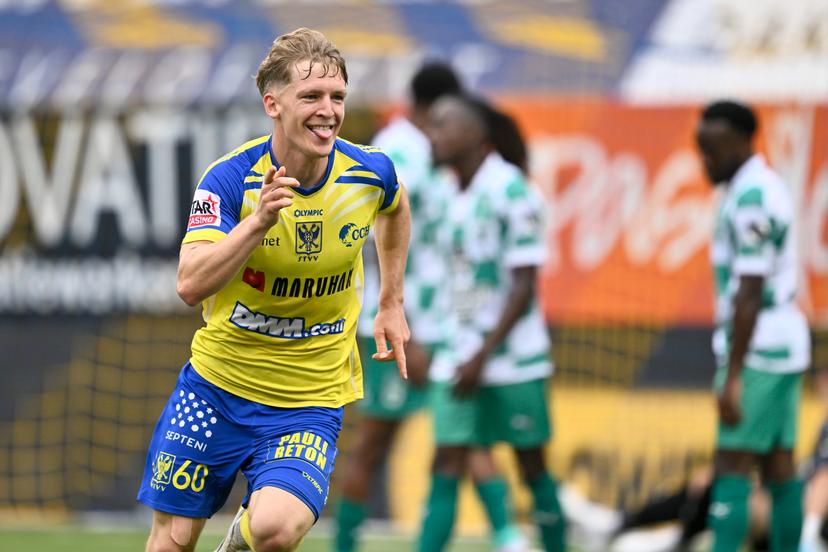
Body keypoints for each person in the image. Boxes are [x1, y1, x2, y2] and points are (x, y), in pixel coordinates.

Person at [136, 27, 411, 552]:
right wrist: (258, 221)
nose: (327, 110)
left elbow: (396, 207)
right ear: (273, 104)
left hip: (309, 399)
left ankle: (240, 535)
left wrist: (391, 301)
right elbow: (189, 284)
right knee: (171, 540)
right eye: (310, 96)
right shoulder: (229, 180)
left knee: (275, 529)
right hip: (216, 390)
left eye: (337, 97)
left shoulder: (370, 172)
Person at [333, 62, 528, 552]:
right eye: (442, 117)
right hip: (401, 323)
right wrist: (405, 326)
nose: (448, 127)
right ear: (425, 110)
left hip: (441, 321)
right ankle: (343, 545)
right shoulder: (396, 151)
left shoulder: (446, 160)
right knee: (376, 442)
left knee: (463, 435)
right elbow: (369, 242)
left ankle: (507, 536)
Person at [416, 94, 566, 552]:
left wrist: (484, 354)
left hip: (511, 360)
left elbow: (524, 285)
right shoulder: (447, 192)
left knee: (531, 466)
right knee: (444, 462)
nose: (433, 134)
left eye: (443, 125)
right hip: (459, 356)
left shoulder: (512, 190)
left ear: (475, 137)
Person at [696, 100, 811, 552]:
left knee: (730, 464)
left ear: (744, 143)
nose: (707, 161)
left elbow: (749, 289)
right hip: (780, 342)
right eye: (701, 150)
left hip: (759, 347)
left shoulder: (750, 198)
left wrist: (736, 373)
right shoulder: (756, 188)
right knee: (779, 468)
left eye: (714, 151)